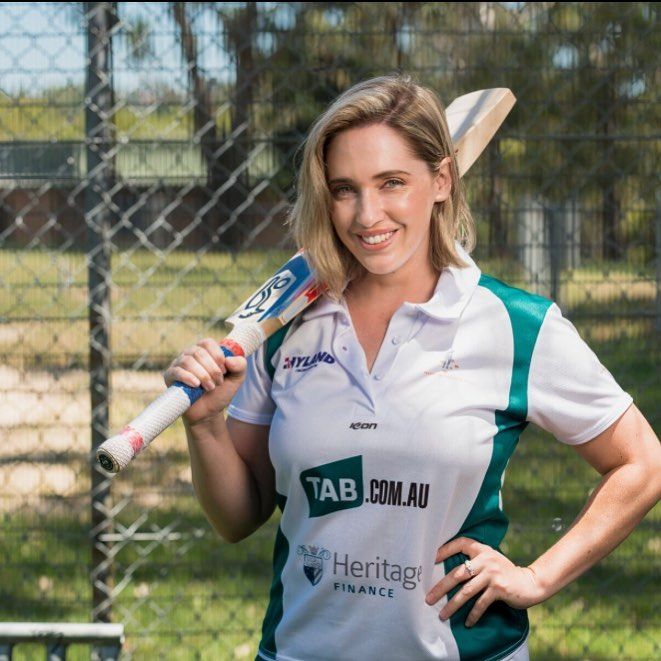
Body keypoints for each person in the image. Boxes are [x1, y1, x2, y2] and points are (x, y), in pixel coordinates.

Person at [163, 74, 661, 660]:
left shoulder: (515, 325)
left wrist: (538, 578)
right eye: (344, 189)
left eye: (392, 182)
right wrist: (205, 426)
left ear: (442, 179)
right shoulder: (284, 329)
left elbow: (643, 463)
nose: (367, 214)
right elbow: (236, 518)